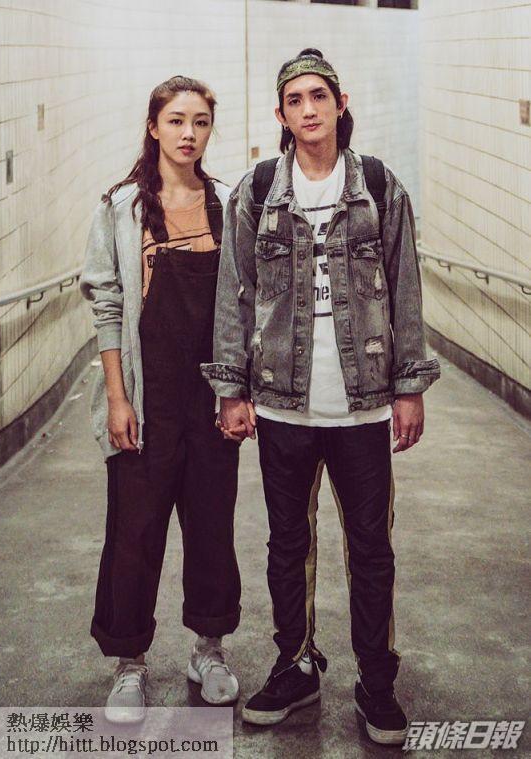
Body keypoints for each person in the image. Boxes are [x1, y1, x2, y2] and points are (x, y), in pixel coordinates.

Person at [202, 49, 440, 745]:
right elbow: (234, 295)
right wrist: (231, 388)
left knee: (370, 548)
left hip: (363, 406)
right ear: (281, 114)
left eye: (318, 96)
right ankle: (295, 664)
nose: (308, 109)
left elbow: (405, 286)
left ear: (340, 104)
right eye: (295, 100)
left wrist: (410, 387)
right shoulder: (256, 192)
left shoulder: (379, 187)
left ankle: (376, 680)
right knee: (287, 544)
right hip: (281, 405)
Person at [80, 76, 245, 722]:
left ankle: (209, 650)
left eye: (200, 122)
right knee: (134, 533)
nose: (188, 133)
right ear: (153, 127)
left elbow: (241, 305)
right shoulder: (121, 207)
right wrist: (117, 399)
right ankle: (130, 664)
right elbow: (108, 305)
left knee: (211, 529)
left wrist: (234, 392)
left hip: (209, 401)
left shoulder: (228, 203)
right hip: (147, 400)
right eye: (176, 120)